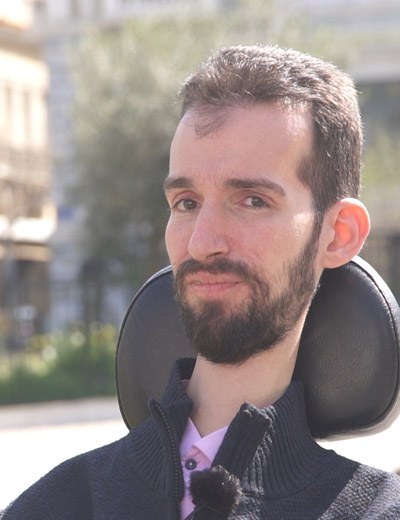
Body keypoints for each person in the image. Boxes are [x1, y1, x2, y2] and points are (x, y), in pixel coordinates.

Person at [2, 45, 400, 520]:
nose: (201, 243)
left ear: (338, 234)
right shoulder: (60, 505)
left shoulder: (378, 510)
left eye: (252, 200)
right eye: (187, 203)